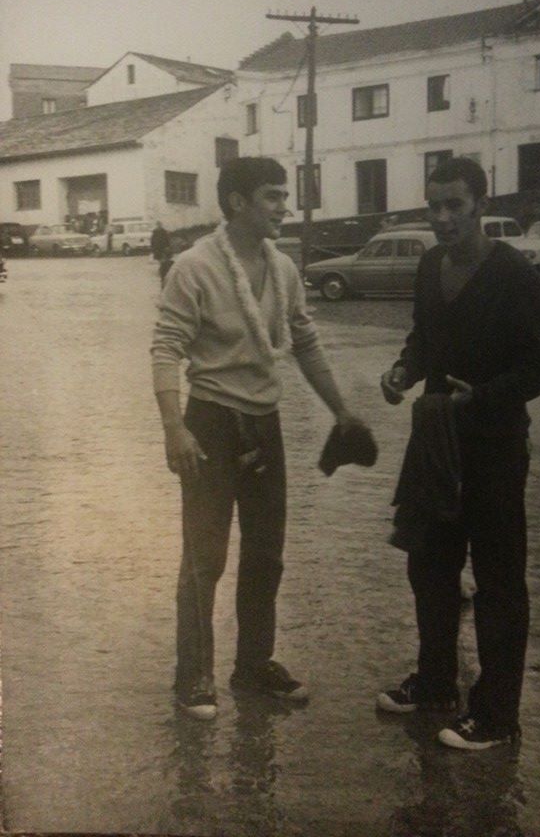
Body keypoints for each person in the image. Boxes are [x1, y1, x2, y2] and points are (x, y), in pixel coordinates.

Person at [151, 156, 362, 721]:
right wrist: (175, 428)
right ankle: (193, 675)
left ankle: (253, 664)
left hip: (264, 426)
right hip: (210, 424)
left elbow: (305, 341)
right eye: (272, 196)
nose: (283, 207)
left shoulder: (284, 268)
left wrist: (341, 410)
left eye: (283, 195)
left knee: (266, 554)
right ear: (238, 201)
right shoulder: (192, 267)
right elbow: (166, 348)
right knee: (205, 558)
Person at [377, 156, 540, 751]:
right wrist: (405, 370)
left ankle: (498, 715)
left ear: (480, 204)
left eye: (455, 205)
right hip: (437, 443)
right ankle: (435, 685)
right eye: (434, 206)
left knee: (498, 579)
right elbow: (426, 337)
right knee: (429, 566)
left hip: (496, 447)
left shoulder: (515, 274)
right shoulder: (430, 265)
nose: (443, 218)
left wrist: (481, 397)